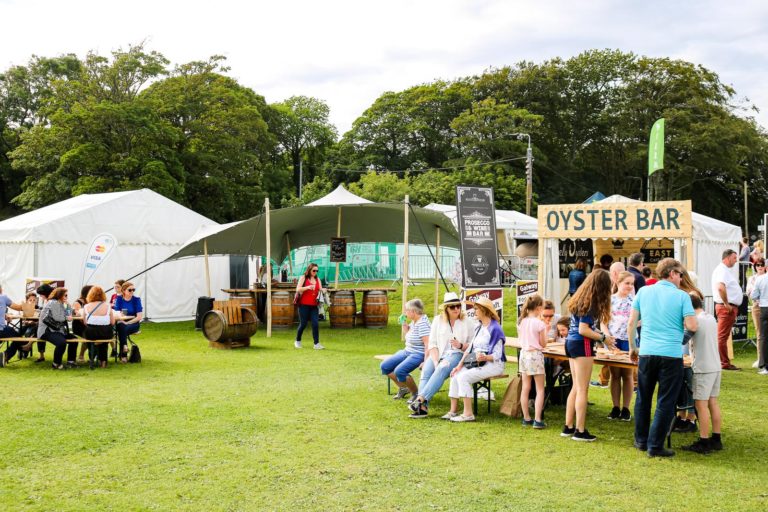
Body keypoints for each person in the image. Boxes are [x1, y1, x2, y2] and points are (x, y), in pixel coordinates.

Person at [628, 258, 698, 457]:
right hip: (670, 354)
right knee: (666, 401)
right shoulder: (682, 296)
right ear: (672, 273)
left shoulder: (643, 291)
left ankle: (641, 440)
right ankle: (655, 445)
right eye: (680, 275)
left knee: (643, 397)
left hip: (647, 351)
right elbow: (692, 326)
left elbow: (632, 322)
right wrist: (680, 339)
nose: (681, 278)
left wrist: (633, 347)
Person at [562, 269, 615, 441]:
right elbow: (584, 330)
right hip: (581, 344)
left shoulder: (578, 298)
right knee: (583, 389)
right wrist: (604, 338)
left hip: (570, 342)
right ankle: (580, 430)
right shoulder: (591, 302)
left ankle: (568, 426)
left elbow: (584, 326)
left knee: (576, 387)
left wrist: (602, 335)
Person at [408, 292, 475, 418]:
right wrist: (434, 361)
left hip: (458, 354)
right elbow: (432, 344)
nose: (456, 309)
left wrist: (460, 345)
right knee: (426, 371)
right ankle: (422, 407)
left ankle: (420, 400)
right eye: (452, 307)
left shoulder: (467, 322)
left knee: (442, 367)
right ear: (446, 309)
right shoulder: (438, 320)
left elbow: (472, 345)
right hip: (437, 354)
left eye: (458, 306)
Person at [447, 297, 506, 422]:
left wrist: (485, 357)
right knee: (456, 374)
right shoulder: (479, 326)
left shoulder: (495, 329)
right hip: (478, 361)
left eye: (476, 309)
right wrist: (459, 365)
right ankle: (453, 411)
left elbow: (497, 355)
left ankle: (468, 414)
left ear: (484, 310)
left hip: (494, 365)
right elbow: (469, 349)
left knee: (464, 377)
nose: (474, 311)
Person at [682, 294, 724, 454]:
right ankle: (716, 438)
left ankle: (704, 440)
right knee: (713, 403)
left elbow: (683, 339)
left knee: (700, 405)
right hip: (715, 365)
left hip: (703, 367)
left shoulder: (695, 321)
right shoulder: (710, 317)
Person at [380, 298, 429, 400]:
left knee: (400, 371)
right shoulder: (415, 321)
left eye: (407, 310)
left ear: (413, 311)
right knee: (385, 366)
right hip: (408, 351)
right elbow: (410, 336)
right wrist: (404, 324)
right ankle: (403, 388)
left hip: (418, 354)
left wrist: (425, 361)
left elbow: (428, 344)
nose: (405, 312)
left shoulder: (423, 324)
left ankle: (416, 393)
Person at [602, 271, 635, 422]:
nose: (629, 286)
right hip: (613, 341)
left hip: (628, 341)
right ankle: (615, 406)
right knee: (615, 374)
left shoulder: (635, 300)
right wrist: (607, 337)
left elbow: (641, 320)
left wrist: (633, 328)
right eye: (627, 283)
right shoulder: (610, 300)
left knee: (627, 375)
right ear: (619, 283)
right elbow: (603, 322)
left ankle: (626, 408)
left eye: (632, 283)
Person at [518, 294, 548, 428]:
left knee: (525, 388)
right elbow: (543, 343)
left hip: (524, 354)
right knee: (540, 389)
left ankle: (526, 417)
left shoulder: (521, 321)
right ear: (538, 308)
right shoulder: (540, 324)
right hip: (535, 355)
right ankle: (537, 419)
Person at [711, 249, 742, 370]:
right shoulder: (722, 271)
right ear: (727, 257)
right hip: (726, 307)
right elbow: (720, 287)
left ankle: (723, 361)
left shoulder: (723, 270)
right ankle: (723, 363)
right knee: (722, 336)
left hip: (726, 307)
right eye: (734, 257)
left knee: (722, 336)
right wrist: (726, 303)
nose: (736, 260)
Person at [37, 287, 78, 369]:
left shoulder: (62, 303)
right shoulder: (54, 303)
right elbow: (57, 318)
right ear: (59, 295)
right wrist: (67, 318)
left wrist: (68, 305)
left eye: (67, 295)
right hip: (47, 331)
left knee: (74, 340)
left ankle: (71, 362)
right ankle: (56, 364)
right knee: (61, 343)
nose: (66, 297)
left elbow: (69, 313)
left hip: (57, 330)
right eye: (65, 295)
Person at [293, 263, 326, 350]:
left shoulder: (318, 279)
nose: (315, 272)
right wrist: (307, 287)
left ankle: (316, 344)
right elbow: (298, 289)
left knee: (315, 324)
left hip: (314, 306)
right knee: (303, 324)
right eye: (314, 270)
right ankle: (297, 341)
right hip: (303, 305)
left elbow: (320, 289)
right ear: (309, 270)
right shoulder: (303, 278)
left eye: (317, 270)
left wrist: (323, 290)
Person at [83, 286, 115, 369]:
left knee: (90, 339)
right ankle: (103, 362)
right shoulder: (108, 306)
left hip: (91, 332)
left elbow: (85, 322)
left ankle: (92, 358)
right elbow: (112, 322)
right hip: (105, 332)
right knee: (104, 342)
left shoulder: (86, 306)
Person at [113, 281, 143, 363]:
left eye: (133, 290)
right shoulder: (119, 299)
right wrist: (122, 319)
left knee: (122, 328)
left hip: (133, 323)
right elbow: (116, 313)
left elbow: (139, 317)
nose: (132, 291)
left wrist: (128, 323)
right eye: (130, 290)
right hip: (121, 321)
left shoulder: (136, 300)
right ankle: (124, 350)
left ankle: (124, 354)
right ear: (123, 291)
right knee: (121, 326)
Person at [746, 258, 766, 369]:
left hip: (765, 305)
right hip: (757, 307)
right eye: (757, 265)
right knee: (759, 334)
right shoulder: (752, 278)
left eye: (761, 264)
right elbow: (750, 292)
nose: (759, 266)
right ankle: (760, 359)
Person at [750, 262, 768, 375]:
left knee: (764, 337)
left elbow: (753, 295)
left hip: (765, 308)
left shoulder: (760, 279)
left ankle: (766, 366)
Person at [0, 284, 25, 365]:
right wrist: (25, 303)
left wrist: (4, 315)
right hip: (1, 330)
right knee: (18, 338)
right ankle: (7, 355)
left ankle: (25, 347)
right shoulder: (3, 297)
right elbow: (18, 307)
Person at [32, 284, 53, 362]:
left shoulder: (52, 300)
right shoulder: (46, 300)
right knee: (37, 328)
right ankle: (40, 354)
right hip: (45, 323)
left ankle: (29, 345)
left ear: (46, 293)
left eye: (41, 294)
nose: (40, 296)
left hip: (52, 325)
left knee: (37, 329)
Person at [72, 285, 93, 363]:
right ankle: (81, 356)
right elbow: (77, 314)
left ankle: (91, 356)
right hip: (78, 325)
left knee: (93, 333)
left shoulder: (91, 301)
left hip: (88, 324)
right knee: (87, 335)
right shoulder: (78, 302)